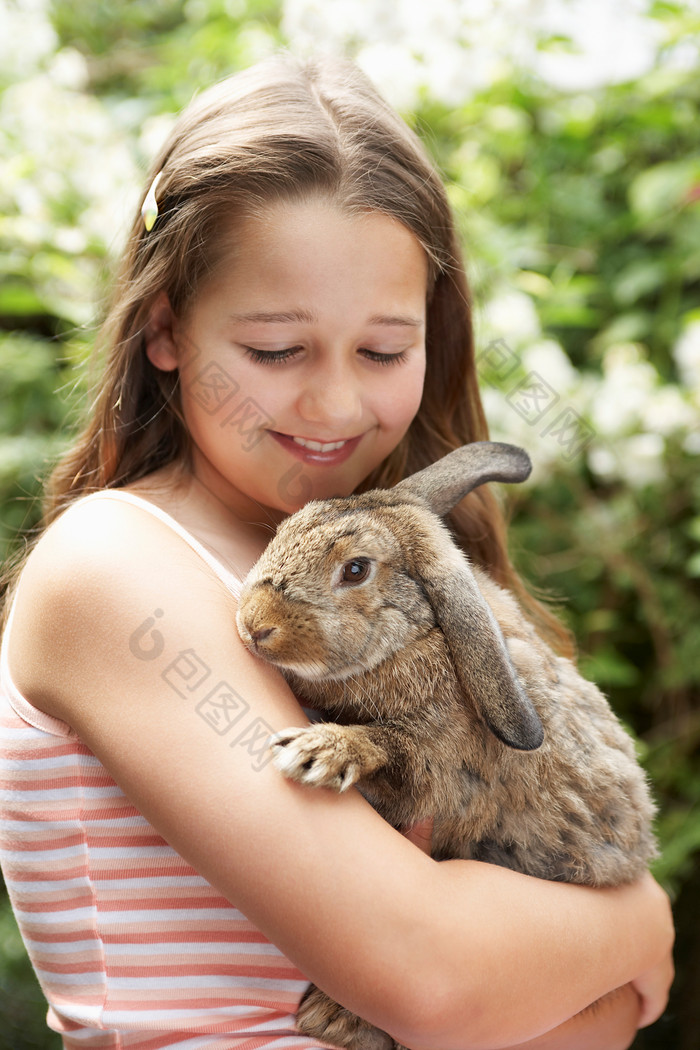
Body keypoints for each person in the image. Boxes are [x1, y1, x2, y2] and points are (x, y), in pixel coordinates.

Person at [0, 51, 673, 1050]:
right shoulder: (120, 570)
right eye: (275, 350)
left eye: (384, 350)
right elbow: (439, 984)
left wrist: (582, 972)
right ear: (164, 328)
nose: (335, 406)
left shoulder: (383, 564)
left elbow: (593, 1013)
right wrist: (636, 925)